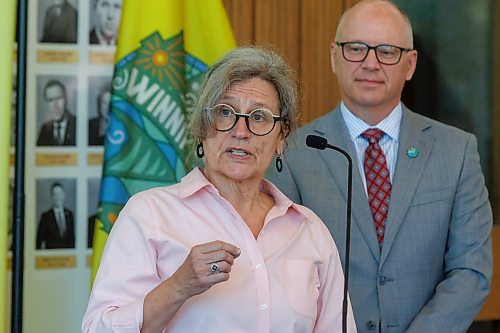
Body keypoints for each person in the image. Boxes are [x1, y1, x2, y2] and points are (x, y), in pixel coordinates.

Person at [82, 47, 356, 332]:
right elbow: (97, 328)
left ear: (280, 138)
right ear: (202, 127)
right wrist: (179, 286)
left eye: (259, 117)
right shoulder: (149, 214)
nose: (241, 131)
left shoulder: (309, 230)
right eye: (225, 112)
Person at [266, 1, 493, 332]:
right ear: (334, 55)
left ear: (410, 63)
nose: (370, 63)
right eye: (356, 48)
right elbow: (282, 271)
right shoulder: (294, 153)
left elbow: (470, 271)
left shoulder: (456, 152)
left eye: (387, 51)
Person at [37, 79, 77, 146]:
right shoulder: (44, 129)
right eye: (50, 100)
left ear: (66, 99)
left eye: (59, 98)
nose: (55, 105)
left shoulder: (77, 125)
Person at [36, 182, 75, 249]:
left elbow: (72, 238)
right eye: (55, 194)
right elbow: (39, 241)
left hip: (68, 257)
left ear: (63, 195)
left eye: (60, 194)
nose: (58, 197)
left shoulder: (69, 214)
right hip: (51, 257)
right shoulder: (45, 217)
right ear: (52, 197)